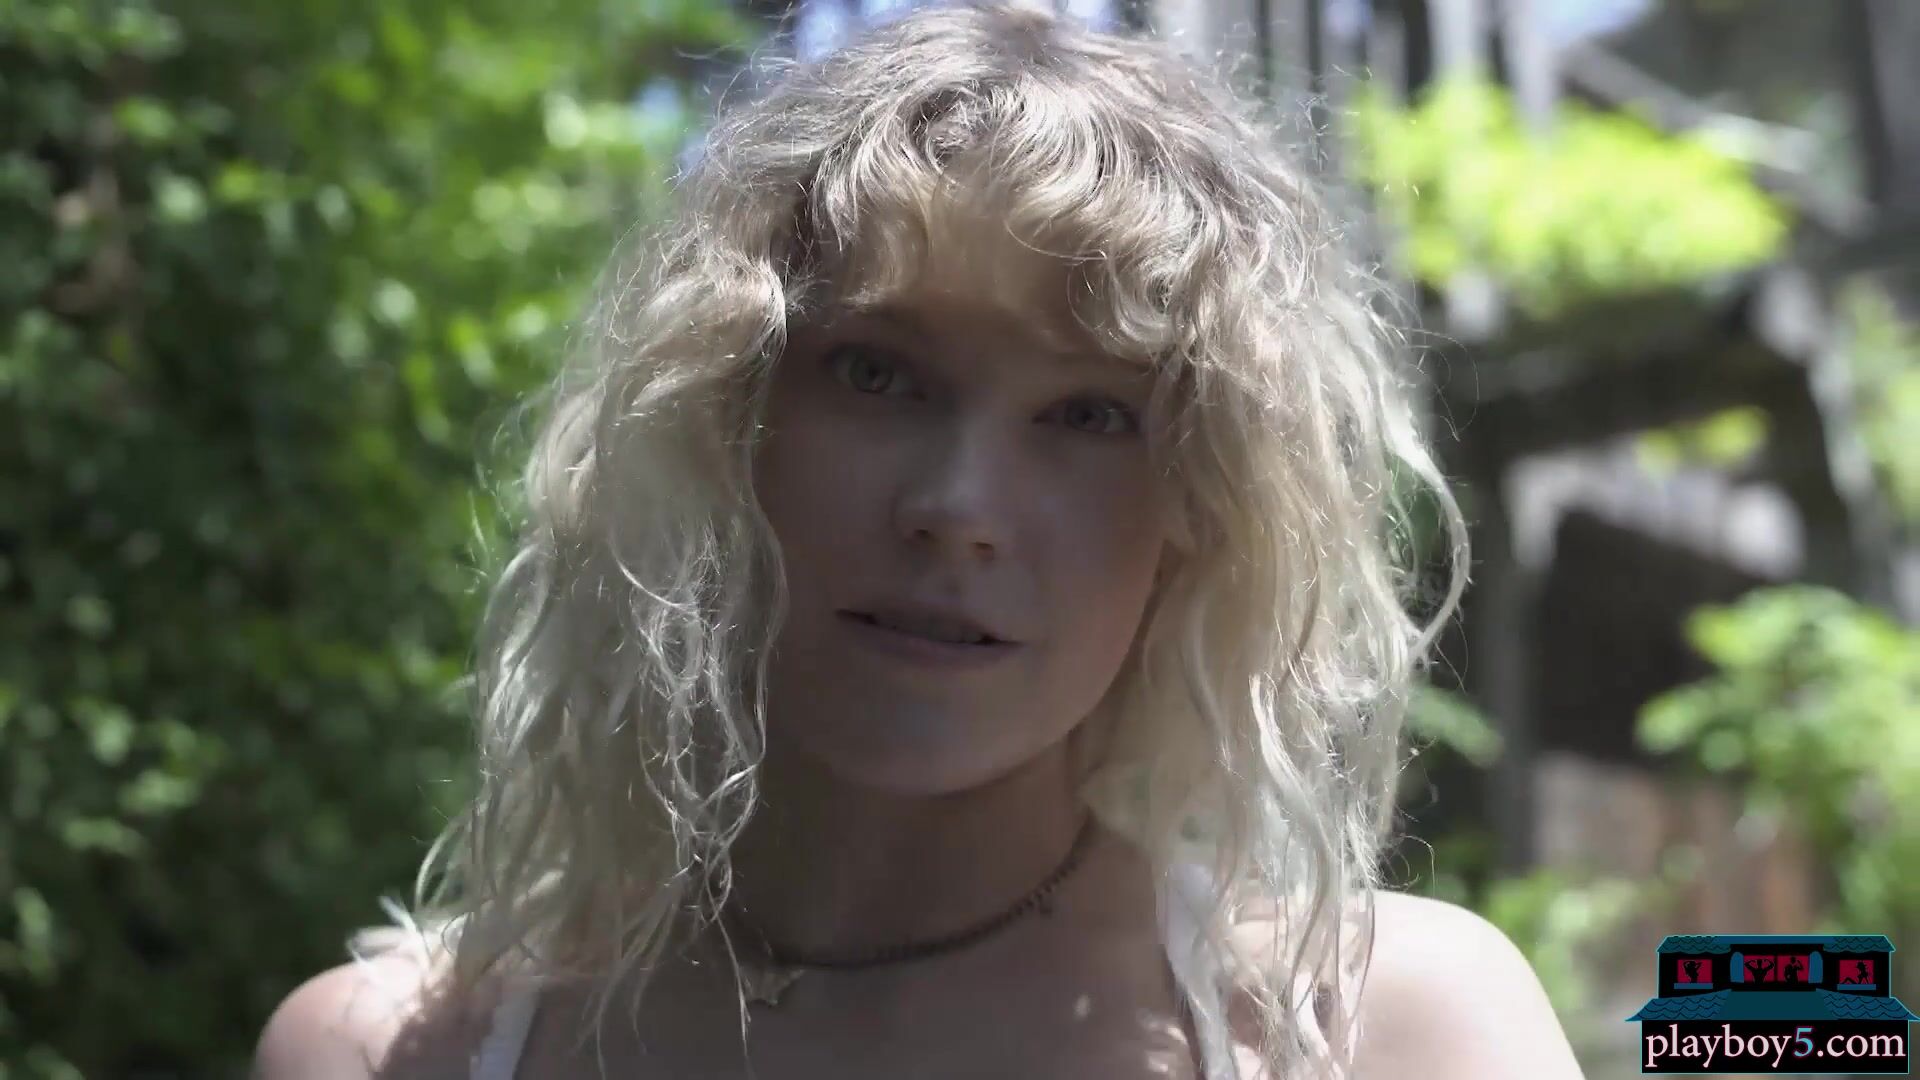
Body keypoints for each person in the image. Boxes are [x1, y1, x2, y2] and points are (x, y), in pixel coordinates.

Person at [252, 3, 1587, 1077]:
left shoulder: (1380, 1035)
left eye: (1090, 415)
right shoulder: (393, 1053)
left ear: (1202, 508)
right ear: (724, 414)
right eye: (880, 374)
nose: (959, 506)